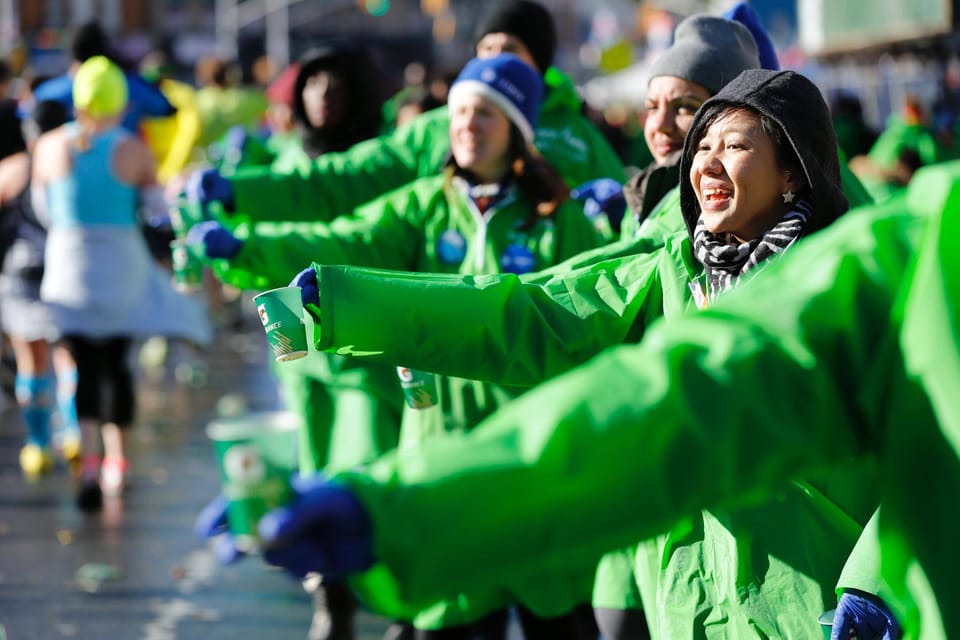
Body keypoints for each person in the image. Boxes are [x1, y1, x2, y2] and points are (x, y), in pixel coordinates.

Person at [251, 157, 958, 639]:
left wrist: (875, 581)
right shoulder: (911, 247)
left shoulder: (868, 243)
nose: (677, 141)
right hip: (673, 584)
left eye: (714, 126)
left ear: (794, 163)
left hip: (813, 602)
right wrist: (402, 511)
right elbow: (659, 404)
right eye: (669, 115)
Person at [194, 53, 606, 639]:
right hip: (440, 460)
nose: (466, 124)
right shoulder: (423, 205)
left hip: (531, 457)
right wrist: (248, 246)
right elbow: (342, 236)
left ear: (518, 128)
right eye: (460, 110)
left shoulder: (557, 220)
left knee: (557, 620)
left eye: (486, 113)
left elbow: (591, 323)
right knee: (452, 622)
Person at [186, 0, 626, 237]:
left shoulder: (578, 136)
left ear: (539, 61)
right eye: (485, 49)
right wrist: (240, 191)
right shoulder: (441, 131)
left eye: (508, 51)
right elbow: (341, 181)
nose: (493, 63)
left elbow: (624, 240)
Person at [32, 56, 209, 511]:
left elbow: (43, 210)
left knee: (83, 367)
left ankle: (88, 462)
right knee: (116, 366)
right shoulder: (131, 148)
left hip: (68, 267)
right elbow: (155, 209)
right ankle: (118, 464)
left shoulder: (50, 146)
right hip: (119, 267)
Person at [0, 98, 78, 475]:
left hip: (18, 272)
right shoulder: (74, 163)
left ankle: (38, 445)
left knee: (29, 360)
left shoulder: (13, 168)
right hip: (63, 267)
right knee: (68, 356)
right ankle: (75, 433)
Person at [30, 20, 175, 134]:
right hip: (125, 163)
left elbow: (29, 118)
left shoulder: (48, 93)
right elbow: (166, 108)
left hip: (73, 166)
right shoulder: (130, 84)